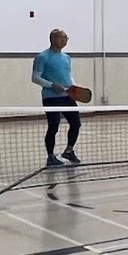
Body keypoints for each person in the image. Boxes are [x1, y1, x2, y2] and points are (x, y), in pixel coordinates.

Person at [31, 28, 81, 167]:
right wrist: (51, 85)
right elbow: (35, 77)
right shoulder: (42, 57)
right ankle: (51, 156)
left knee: (76, 123)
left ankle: (69, 150)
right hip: (51, 98)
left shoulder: (66, 57)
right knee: (53, 126)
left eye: (66, 38)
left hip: (67, 96)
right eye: (62, 37)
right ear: (54, 39)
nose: (65, 40)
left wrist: (73, 87)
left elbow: (68, 75)